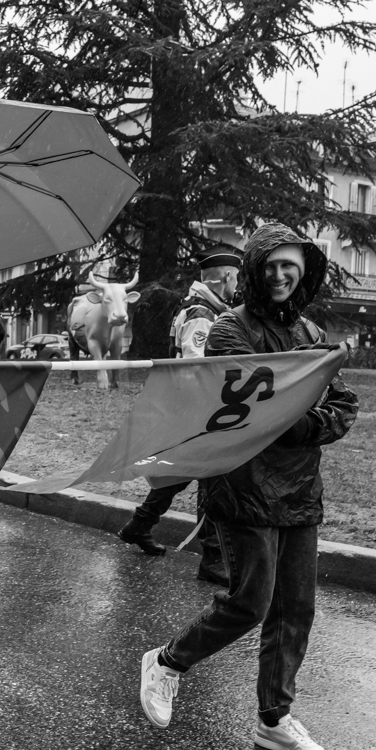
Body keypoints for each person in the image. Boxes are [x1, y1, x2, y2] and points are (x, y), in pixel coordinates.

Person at [138, 223, 358, 750]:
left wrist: (306, 418)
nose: (281, 275)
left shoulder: (310, 331)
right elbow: (259, 412)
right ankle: (166, 662)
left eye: (292, 265)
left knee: (295, 610)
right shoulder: (227, 331)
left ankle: (274, 721)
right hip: (242, 486)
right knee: (249, 603)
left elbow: (343, 405)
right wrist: (304, 414)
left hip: (300, 489)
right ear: (256, 269)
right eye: (271, 265)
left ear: (305, 269)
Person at [117, 244, 241, 587]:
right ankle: (214, 558)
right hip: (197, 410)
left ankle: (140, 525)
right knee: (213, 479)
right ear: (227, 277)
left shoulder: (199, 307)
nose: (238, 285)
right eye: (237, 278)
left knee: (181, 472)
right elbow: (195, 365)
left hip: (187, 408)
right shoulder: (202, 313)